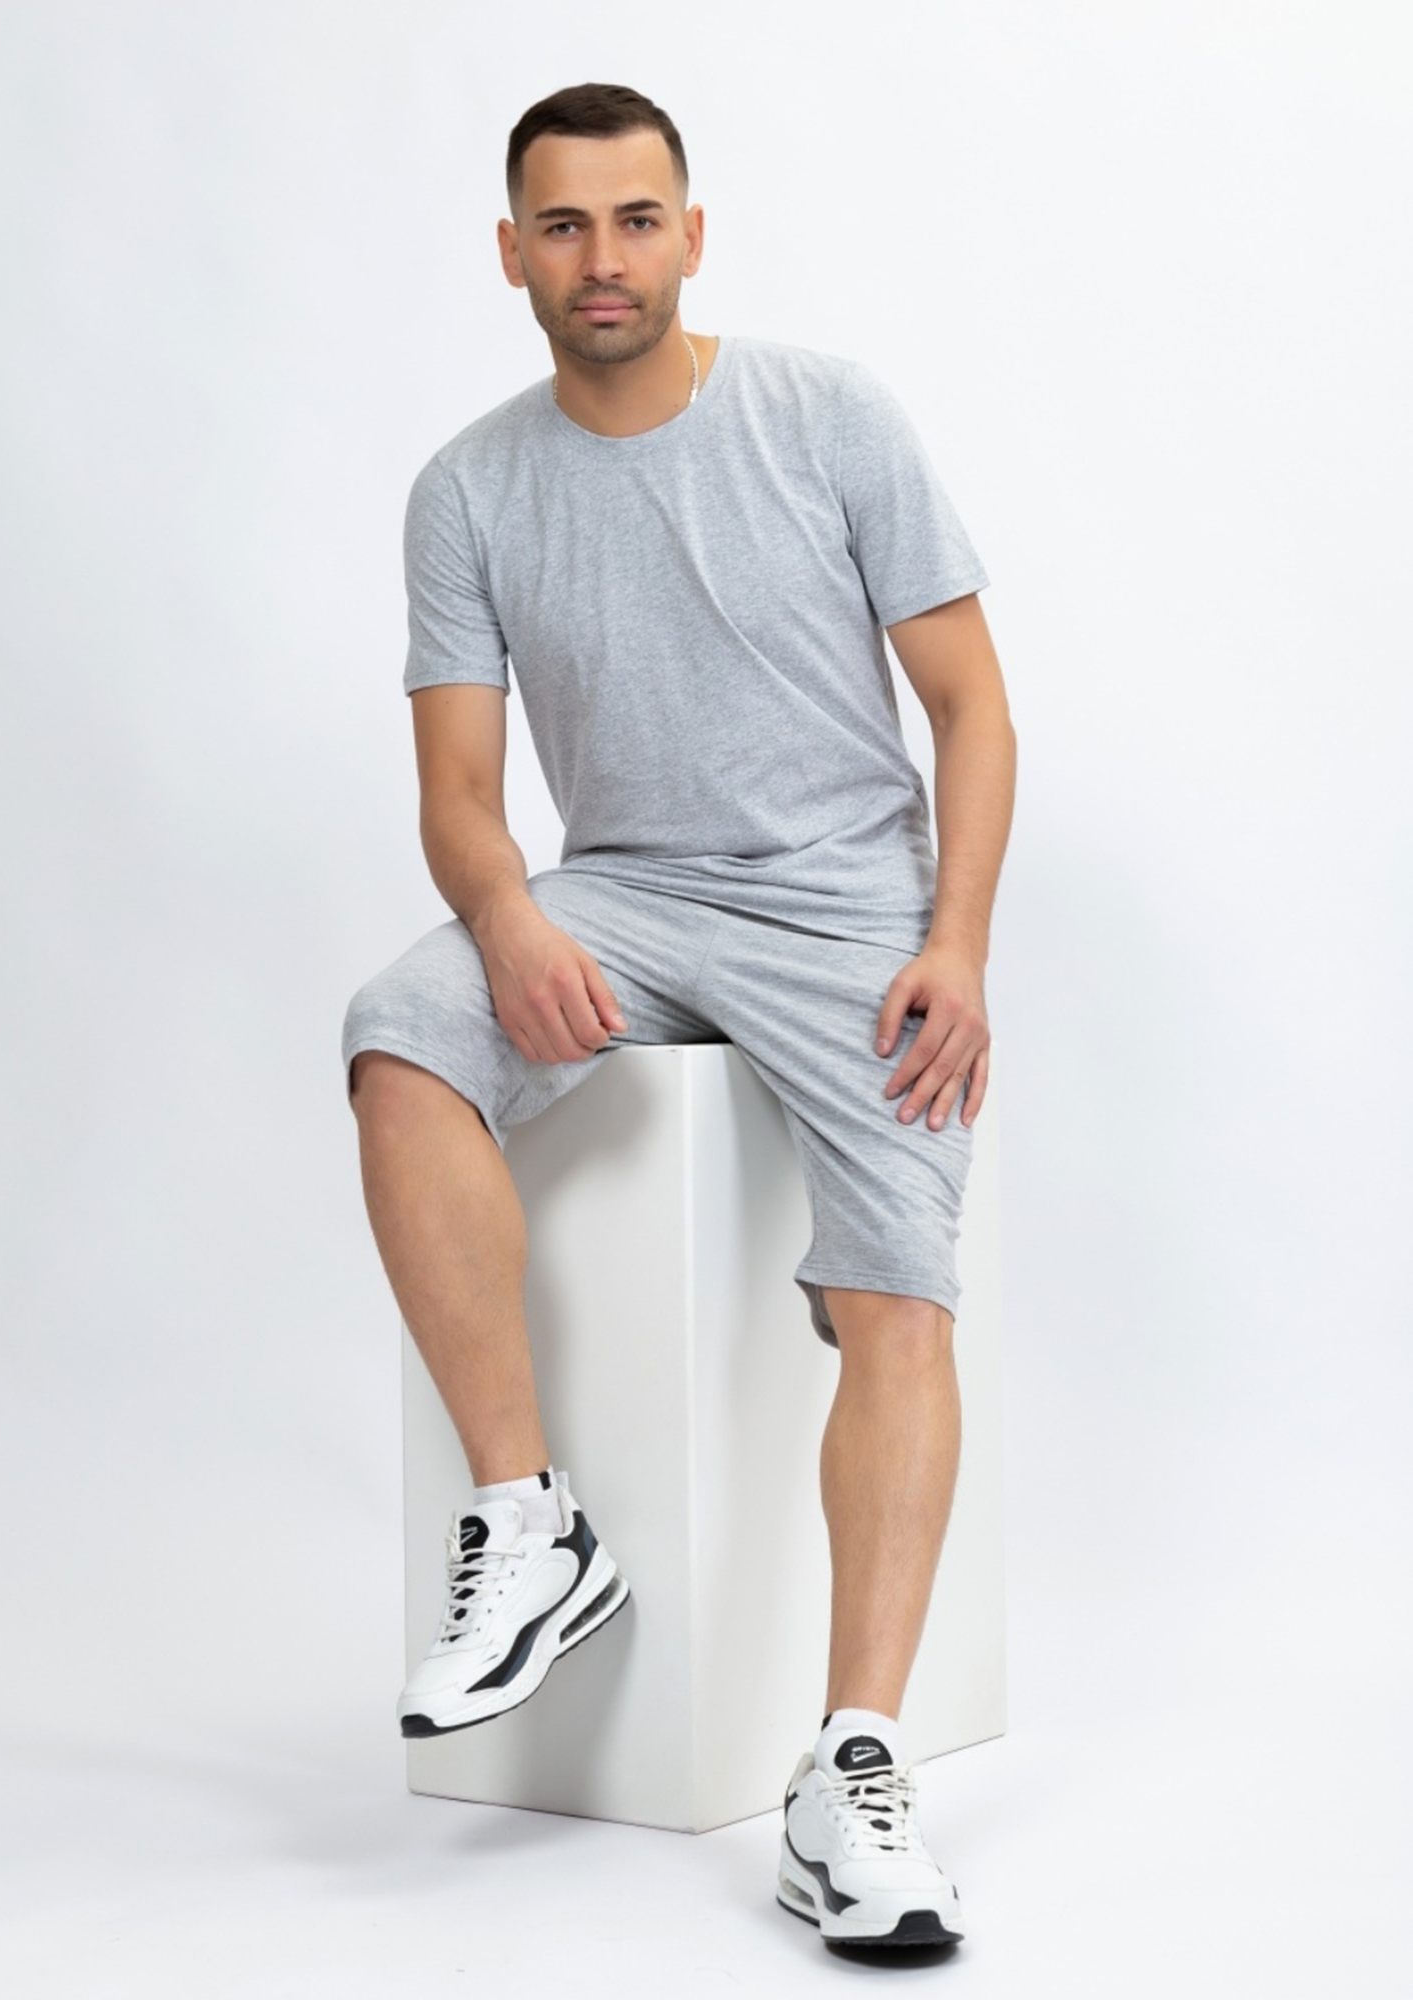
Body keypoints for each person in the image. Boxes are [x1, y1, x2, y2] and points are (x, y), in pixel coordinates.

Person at [341, 80, 1016, 1950]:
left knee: (896, 1290)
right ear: (511, 255)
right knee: (399, 1033)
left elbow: (972, 705)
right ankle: (530, 1525)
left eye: (636, 220)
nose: (603, 259)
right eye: (563, 226)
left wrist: (956, 941)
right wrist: (506, 916)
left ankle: (851, 1769)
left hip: (845, 906)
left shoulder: (828, 416)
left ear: (692, 236)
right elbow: (460, 794)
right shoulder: (469, 488)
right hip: (622, 893)